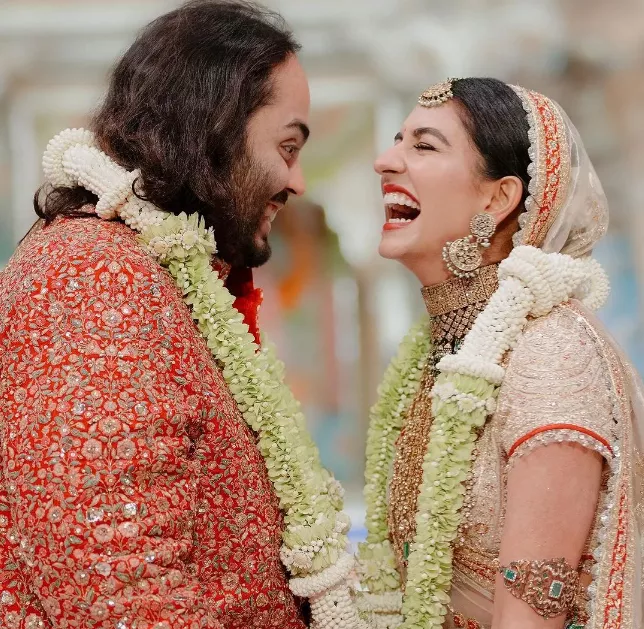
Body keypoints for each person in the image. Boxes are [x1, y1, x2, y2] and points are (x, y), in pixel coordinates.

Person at [0, 1, 357, 627]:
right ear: (215, 125)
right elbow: (113, 571)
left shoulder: (152, 270)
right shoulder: (94, 275)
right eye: (287, 146)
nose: (298, 182)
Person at [353, 78, 644, 629]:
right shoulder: (447, 348)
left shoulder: (552, 350)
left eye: (424, 145)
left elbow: (531, 617)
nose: (385, 162)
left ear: (497, 199)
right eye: (397, 140)